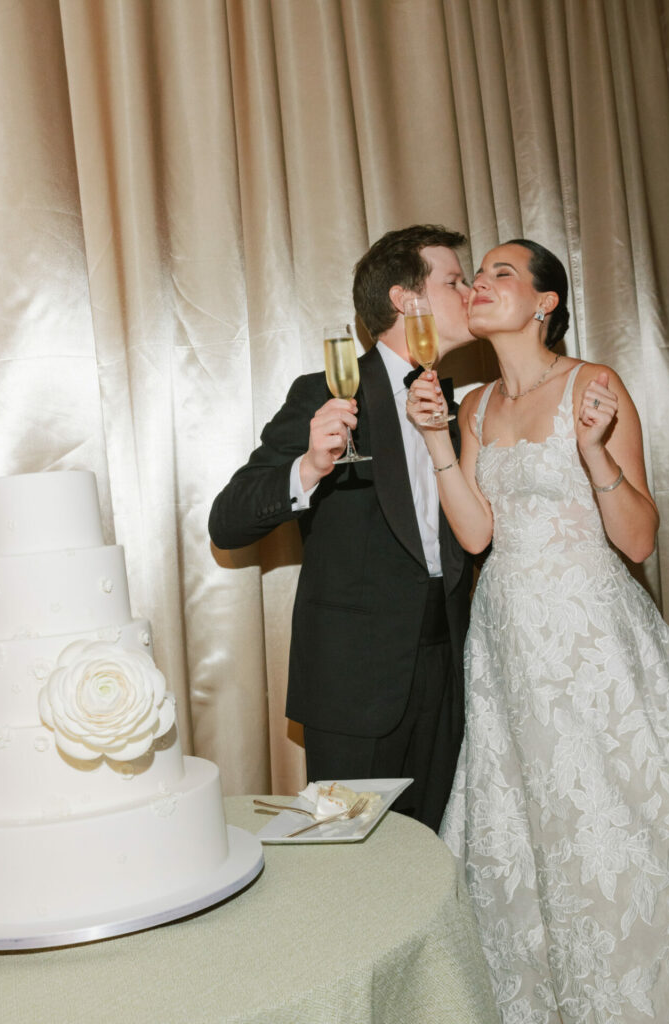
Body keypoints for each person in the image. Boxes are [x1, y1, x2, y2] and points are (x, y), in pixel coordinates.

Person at [408, 239, 669, 1022]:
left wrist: (591, 453)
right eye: (475, 276)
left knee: (615, 805)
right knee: (532, 809)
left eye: (501, 275)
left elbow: (638, 540)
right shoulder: (475, 403)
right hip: (507, 638)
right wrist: (434, 441)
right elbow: (478, 535)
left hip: (590, 632)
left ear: (545, 303)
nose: (479, 284)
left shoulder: (594, 383)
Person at [209, 224, 476, 831]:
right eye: (455, 281)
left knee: (435, 853)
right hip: (356, 685)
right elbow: (226, 523)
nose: (470, 291)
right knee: (352, 865)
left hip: (451, 674)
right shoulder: (324, 395)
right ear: (407, 301)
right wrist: (307, 467)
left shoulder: (466, 409)